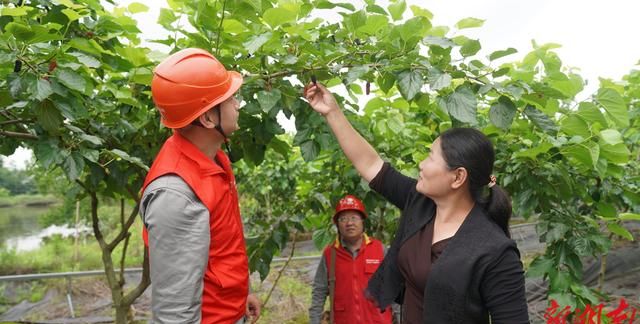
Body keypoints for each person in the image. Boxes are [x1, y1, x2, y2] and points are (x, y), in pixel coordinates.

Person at [303, 83, 529, 324]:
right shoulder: (420, 203)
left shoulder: (495, 251)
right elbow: (370, 164)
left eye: (431, 157)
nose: (421, 164)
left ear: (458, 177)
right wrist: (332, 112)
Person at [139, 48, 260, 324]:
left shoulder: (213, 159)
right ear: (207, 118)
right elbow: (174, 313)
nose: (238, 105)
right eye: (230, 99)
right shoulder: (176, 195)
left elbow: (220, 247)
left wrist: (242, 293)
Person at [309, 195, 392, 324]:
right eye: (343, 219)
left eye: (354, 218)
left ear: (362, 221)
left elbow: (393, 287)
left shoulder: (379, 249)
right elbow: (319, 291)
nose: (349, 223)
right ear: (337, 224)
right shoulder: (330, 254)